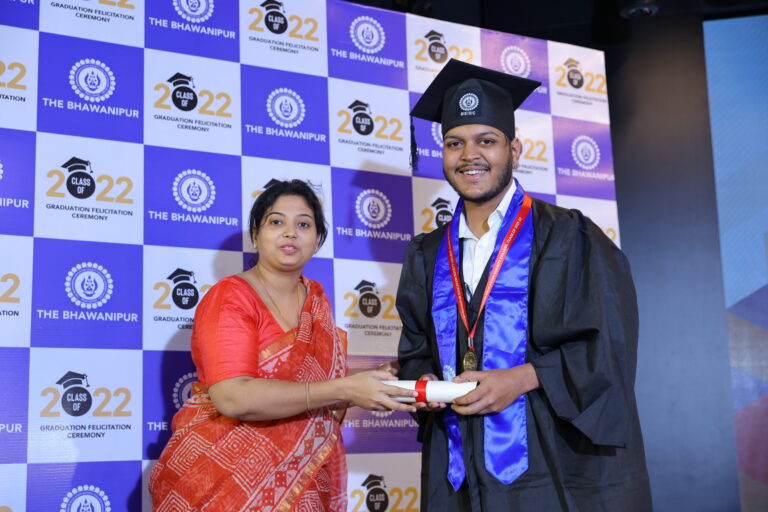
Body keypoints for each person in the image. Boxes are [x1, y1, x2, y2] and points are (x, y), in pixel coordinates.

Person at [397, 59, 652, 511]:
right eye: (454, 143)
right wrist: (425, 382)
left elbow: (609, 346)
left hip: (552, 461)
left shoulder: (569, 235)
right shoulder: (426, 254)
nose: (469, 155)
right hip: (459, 469)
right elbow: (416, 350)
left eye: (486, 141)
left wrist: (522, 378)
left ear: (514, 148)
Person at [150, 179, 416, 511]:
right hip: (221, 481)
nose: (290, 233)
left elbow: (317, 386)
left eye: (303, 224)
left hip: (301, 480)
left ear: (317, 239)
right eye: (276, 222)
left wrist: (377, 379)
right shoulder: (231, 297)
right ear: (255, 235)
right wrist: (346, 388)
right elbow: (233, 397)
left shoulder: (316, 301)